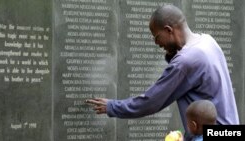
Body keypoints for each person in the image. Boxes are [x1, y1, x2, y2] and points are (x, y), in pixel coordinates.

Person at [86, 4, 239, 141]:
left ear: (168, 30)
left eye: (157, 37)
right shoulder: (208, 41)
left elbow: (151, 102)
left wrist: (112, 106)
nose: (156, 43)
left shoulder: (185, 61)